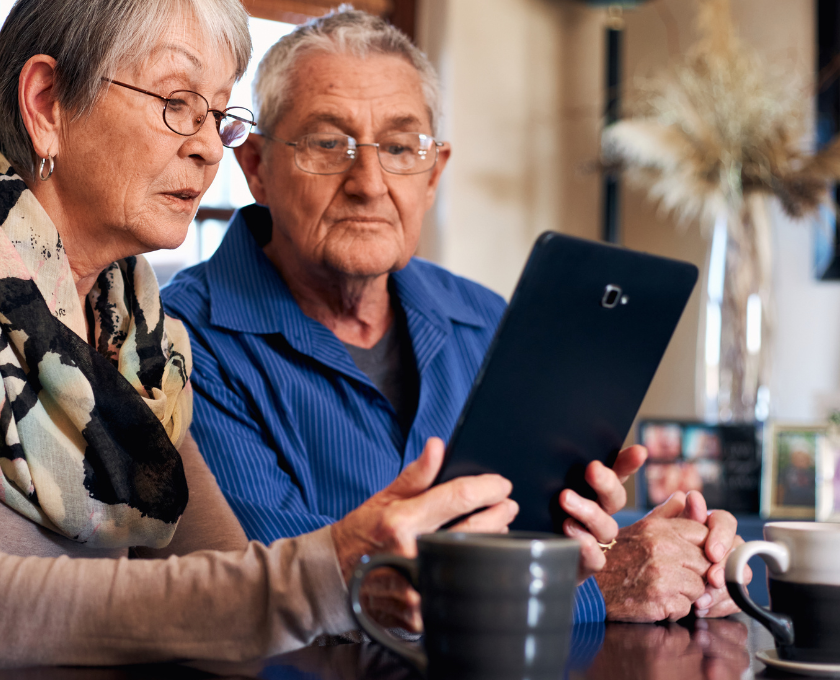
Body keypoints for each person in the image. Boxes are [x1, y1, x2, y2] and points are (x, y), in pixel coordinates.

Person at [0, 2, 537, 677]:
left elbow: (240, 608)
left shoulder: (139, 336)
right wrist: (329, 569)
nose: (208, 147)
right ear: (47, 104)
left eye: (216, 113)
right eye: (176, 104)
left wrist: (382, 582)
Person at [163, 9, 748, 626]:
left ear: (434, 172)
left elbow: (545, 533)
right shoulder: (177, 342)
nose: (368, 182)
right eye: (328, 144)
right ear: (256, 166)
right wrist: (596, 587)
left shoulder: (484, 319)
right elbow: (286, 589)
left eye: (399, 147)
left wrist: (659, 554)